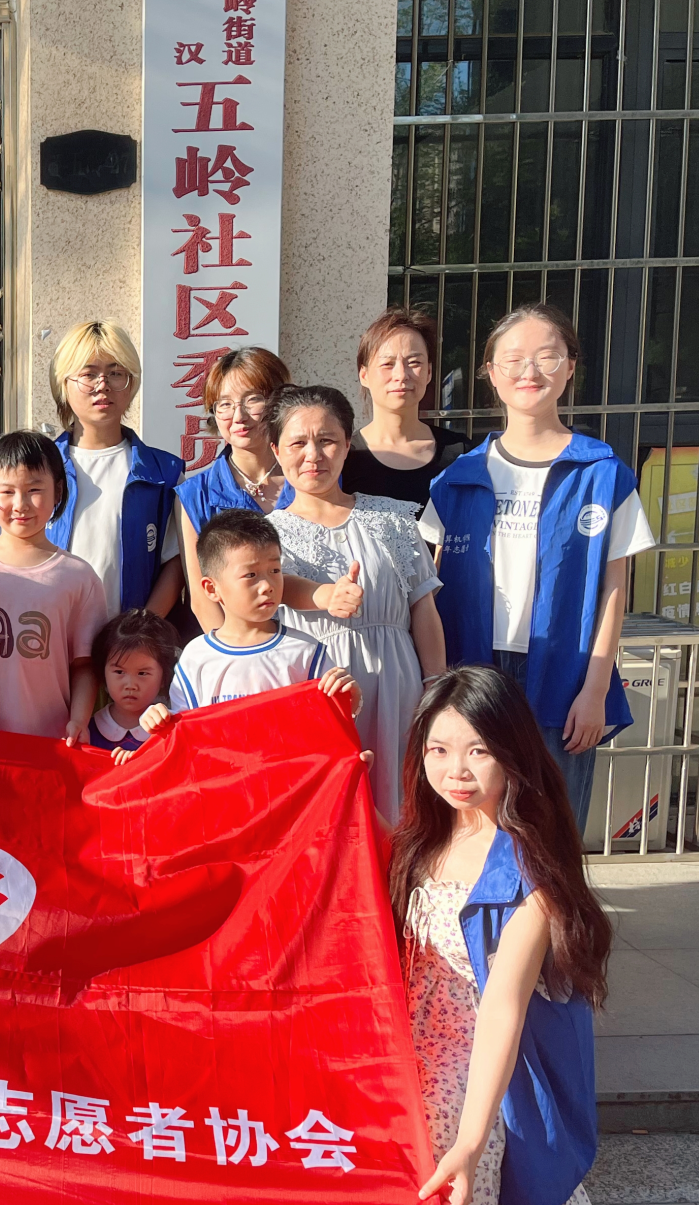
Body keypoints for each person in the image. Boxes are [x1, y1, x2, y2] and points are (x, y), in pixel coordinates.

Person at [418, 302, 657, 829]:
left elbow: (614, 589)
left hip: (564, 672)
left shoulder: (601, 473)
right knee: (475, 821)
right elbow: (428, 589)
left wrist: (595, 690)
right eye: (514, 359)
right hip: (475, 670)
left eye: (547, 357)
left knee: (552, 823)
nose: (530, 371)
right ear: (491, 372)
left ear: (570, 367)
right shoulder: (457, 477)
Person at [396, 667, 609, 1205]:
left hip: (478, 1052)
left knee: (423, 1128)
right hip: (402, 1029)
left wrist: (469, 1144)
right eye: (438, 750)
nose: (456, 771)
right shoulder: (422, 838)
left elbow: (502, 1010)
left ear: (513, 751)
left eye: (479, 751)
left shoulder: (529, 874)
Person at [268, 385, 446, 822]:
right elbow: (266, 598)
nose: (313, 455)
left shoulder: (392, 518)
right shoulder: (266, 535)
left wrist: (437, 686)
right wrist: (321, 596)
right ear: (276, 450)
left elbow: (423, 607)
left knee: (402, 807)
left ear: (348, 445)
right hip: (318, 694)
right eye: (298, 442)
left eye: (327, 440)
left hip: (398, 687)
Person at [0, 431, 109, 743]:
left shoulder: (79, 577)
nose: (21, 504)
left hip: (52, 742)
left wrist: (79, 720)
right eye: (7, 491)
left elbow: (85, 664)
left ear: (58, 491)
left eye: (34, 490)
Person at [157, 509, 360, 716]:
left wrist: (348, 700)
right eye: (251, 575)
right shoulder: (196, 657)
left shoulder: (306, 651)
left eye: (275, 571)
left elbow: (330, 721)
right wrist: (158, 720)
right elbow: (184, 727)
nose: (267, 586)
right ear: (211, 588)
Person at [43, 320, 184, 614]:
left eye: (116, 373)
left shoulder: (163, 473)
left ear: (131, 383)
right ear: (63, 384)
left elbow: (176, 561)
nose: (102, 385)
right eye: (88, 374)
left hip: (133, 635)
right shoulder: (38, 467)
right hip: (49, 633)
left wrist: (141, 628)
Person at [174, 346, 295, 634]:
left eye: (253, 399)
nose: (238, 416)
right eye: (224, 404)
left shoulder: (308, 477)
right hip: (235, 647)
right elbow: (203, 600)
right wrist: (241, 652)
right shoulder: (196, 495)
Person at [342, 307, 474, 512]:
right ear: (364, 375)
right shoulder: (344, 459)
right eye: (387, 364)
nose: (401, 375)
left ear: (429, 372)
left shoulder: (461, 453)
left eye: (414, 362)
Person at [87, 608, 180, 762]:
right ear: (103, 672)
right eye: (119, 672)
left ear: (164, 677)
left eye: (142, 673)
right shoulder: (86, 731)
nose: (130, 685)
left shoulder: (170, 731)